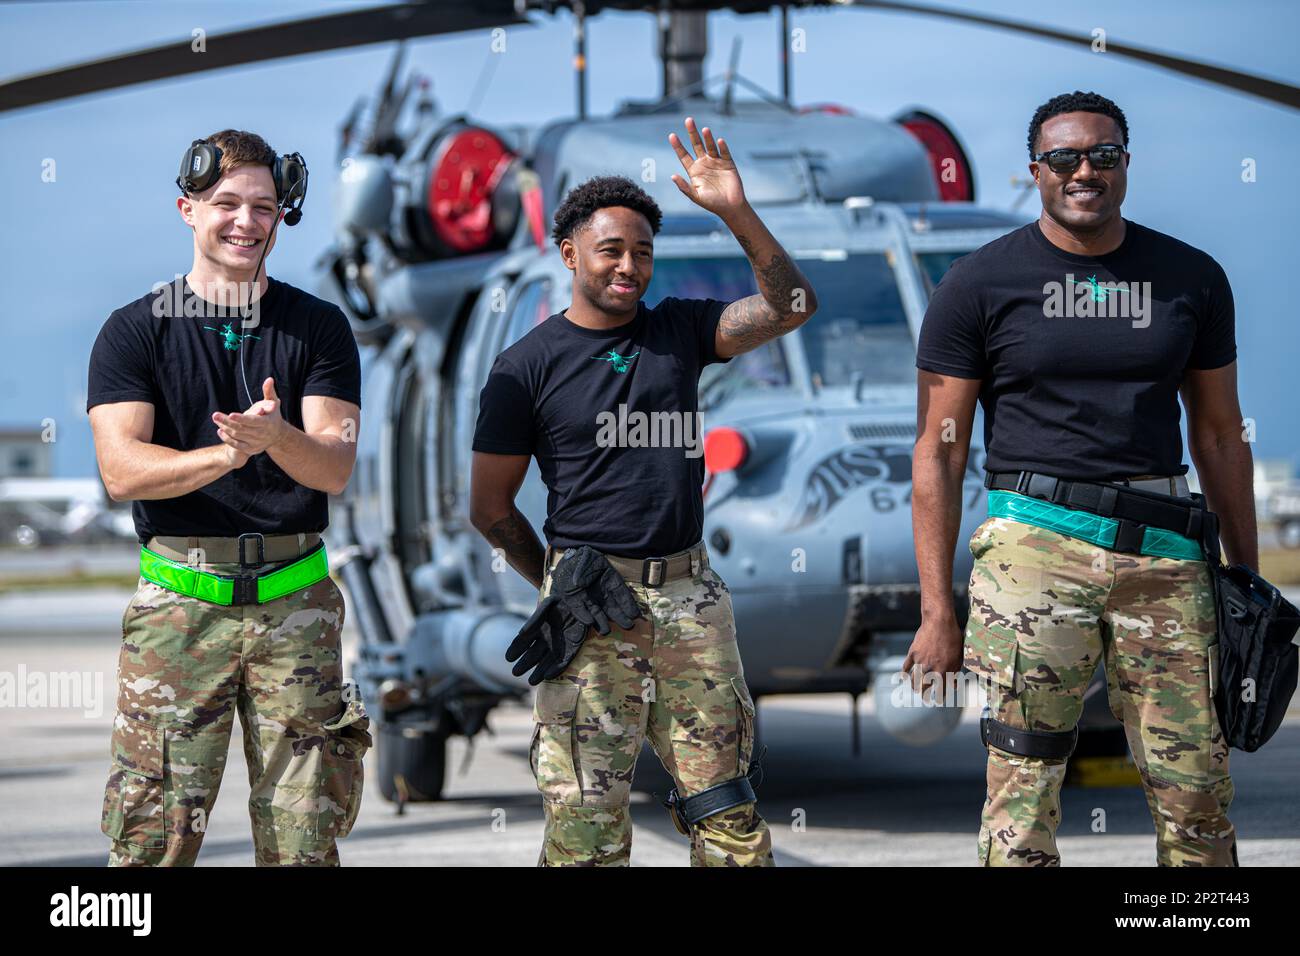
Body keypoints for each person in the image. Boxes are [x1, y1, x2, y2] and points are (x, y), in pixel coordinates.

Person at [906, 91, 1253, 866]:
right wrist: (938, 611)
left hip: (1167, 556)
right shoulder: (977, 283)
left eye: (1103, 155)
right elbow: (938, 448)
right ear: (1036, 171)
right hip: (1033, 549)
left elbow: (1223, 435)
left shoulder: (1192, 277)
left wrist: (1246, 582)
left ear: (1127, 164)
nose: (1084, 170)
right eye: (1065, 158)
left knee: (1196, 785)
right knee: (1023, 789)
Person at [470, 118, 817, 866]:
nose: (629, 265)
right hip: (591, 613)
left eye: (643, 252)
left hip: (693, 603)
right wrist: (561, 583)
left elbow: (791, 308)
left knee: (730, 820)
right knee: (586, 832)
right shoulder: (524, 368)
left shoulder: (680, 333)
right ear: (570, 255)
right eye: (611, 250)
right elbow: (490, 507)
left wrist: (736, 213)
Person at [87, 129, 369, 866]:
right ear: (187, 209)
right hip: (182, 606)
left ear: (282, 217)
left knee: (306, 839)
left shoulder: (318, 328)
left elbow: (334, 467)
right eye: (227, 204)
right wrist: (230, 452)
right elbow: (122, 471)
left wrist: (277, 438)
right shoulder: (133, 332)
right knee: (154, 839)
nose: (247, 222)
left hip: (296, 606)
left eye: (265, 208)